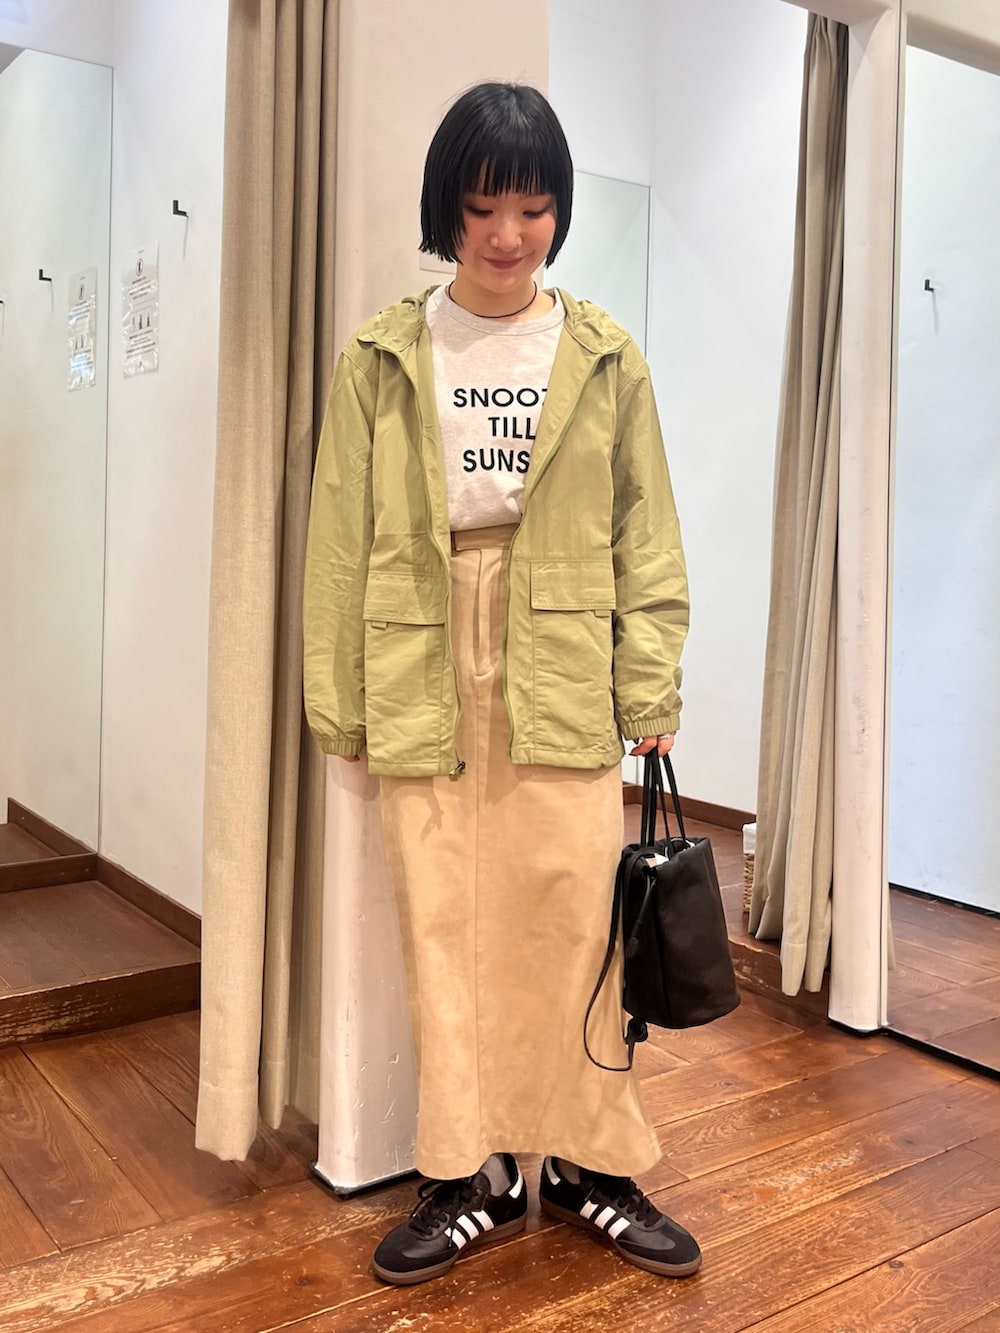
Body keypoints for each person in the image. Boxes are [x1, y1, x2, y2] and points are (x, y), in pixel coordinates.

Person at [303, 81, 697, 1287]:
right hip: (421, 647)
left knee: (575, 922)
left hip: (563, 649)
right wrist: (339, 698)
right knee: (441, 926)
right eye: (482, 208)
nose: (508, 234)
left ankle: (588, 1164)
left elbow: (645, 532)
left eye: (531, 208)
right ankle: (467, 1172)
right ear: (448, 210)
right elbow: (337, 537)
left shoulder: (603, 355)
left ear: (558, 211)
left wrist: (650, 685)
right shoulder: (383, 353)